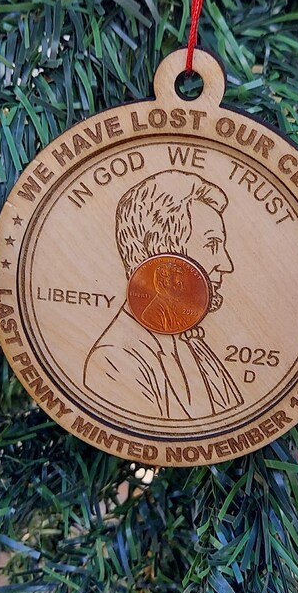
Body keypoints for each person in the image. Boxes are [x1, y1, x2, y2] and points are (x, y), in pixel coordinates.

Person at [84, 170, 243, 419]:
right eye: (211, 245)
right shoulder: (114, 362)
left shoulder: (194, 346)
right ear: (165, 256)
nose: (226, 264)